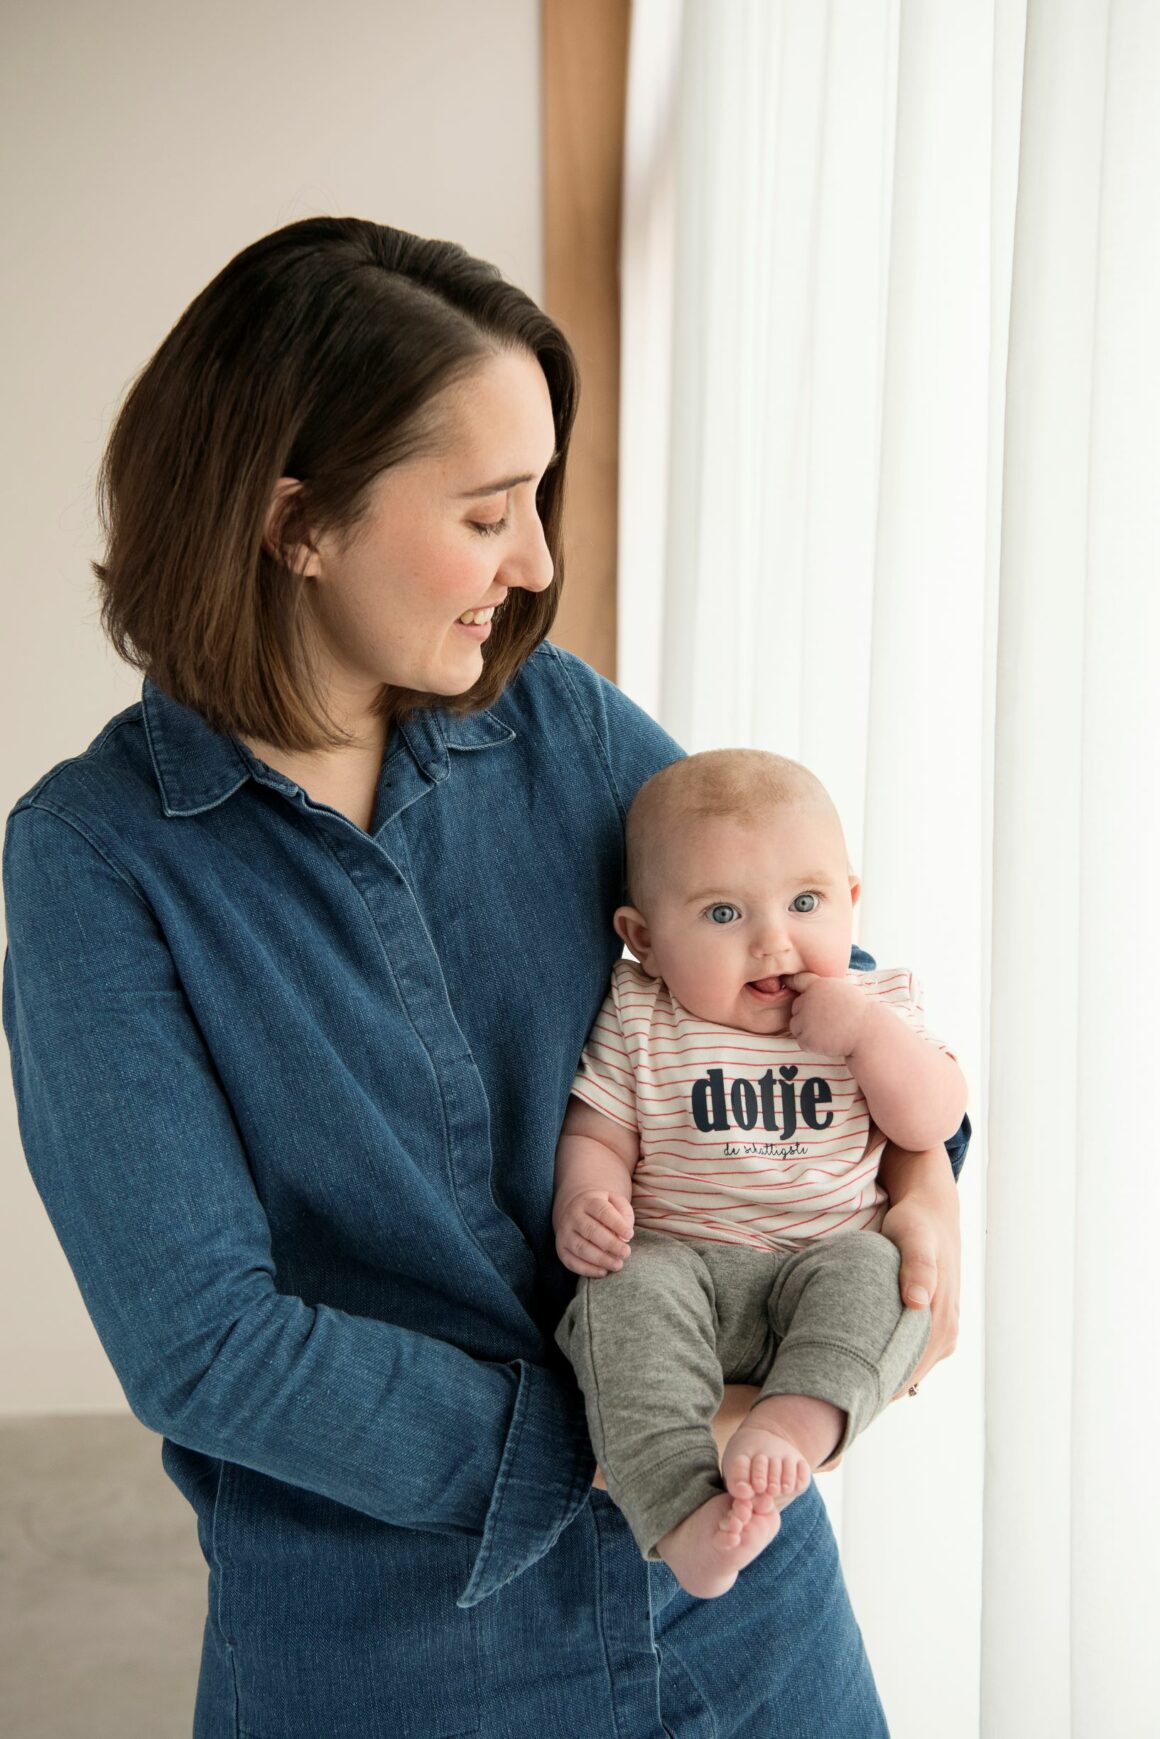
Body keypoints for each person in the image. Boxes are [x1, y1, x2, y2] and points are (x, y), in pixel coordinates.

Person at [2, 216, 969, 1738]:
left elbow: (805, 986)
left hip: (747, 1613)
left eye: (539, 501)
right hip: (400, 1656)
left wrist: (926, 1189)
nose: (538, 563)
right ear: (294, 521)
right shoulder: (97, 860)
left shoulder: (567, 728)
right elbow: (207, 1342)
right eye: (486, 511)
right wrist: (638, 1436)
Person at [553, 750, 968, 1600]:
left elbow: (932, 1120)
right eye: (723, 912)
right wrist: (586, 1197)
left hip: (823, 1262)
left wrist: (866, 1035)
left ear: (852, 903)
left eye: (806, 903)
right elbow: (599, 1131)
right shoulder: (641, 1014)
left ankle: (791, 1425)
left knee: (883, 1273)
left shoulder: (877, 1000)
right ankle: (682, 1513)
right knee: (614, 1298)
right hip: (684, 1270)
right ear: (645, 939)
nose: (774, 939)